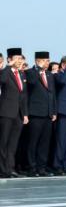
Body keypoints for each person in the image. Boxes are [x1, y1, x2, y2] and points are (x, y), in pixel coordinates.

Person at [24, 51, 56, 177]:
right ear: (38, 61)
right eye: (46, 60)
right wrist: (38, 69)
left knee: (44, 142)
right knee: (33, 142)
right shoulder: (31, 72)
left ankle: (41, 167)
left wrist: (53, 110)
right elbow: (31, 82)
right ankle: (31, 167)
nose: (48, 63)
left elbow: (52, 93)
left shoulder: (49, 75)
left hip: (48, 114)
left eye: (48, 60)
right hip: (35, 113)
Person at [0, 48, 29, 178]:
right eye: (16, 58)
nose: (19, 61)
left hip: (18, 114)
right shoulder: (5, 72)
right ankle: (2, 169)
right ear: (10, 59)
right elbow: (2, 81)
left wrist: (25, 114)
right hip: (6, 112)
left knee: (13, 143)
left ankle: (10, 168)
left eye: (20, 58)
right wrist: (8, 66)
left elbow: (23, 96)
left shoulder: (21, 74)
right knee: (3, 142)